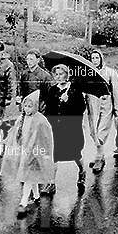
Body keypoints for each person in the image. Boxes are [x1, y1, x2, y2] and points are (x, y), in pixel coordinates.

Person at [0, 90, 54, 216]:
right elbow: (16, 133)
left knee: (28, 176)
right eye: (26, 106)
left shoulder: (41, 120)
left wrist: (39, 152)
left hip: (35, 153)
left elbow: (45, 138)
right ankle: (36, 196)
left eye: (30, 106)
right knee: (30, 176)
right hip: (24, 152)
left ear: (36, 106)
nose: (27, 108)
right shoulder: (21, 118)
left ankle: (23, 202)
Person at [44, 64, 88, 193]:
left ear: (67, 75)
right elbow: (49, 109)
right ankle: (51, 183)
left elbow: (81, 109)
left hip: (71, 128)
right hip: (56, 127)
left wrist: (68, 101)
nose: (58, 77)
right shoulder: (52, 90)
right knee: (54, 154)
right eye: (56, 74)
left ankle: (82, 171)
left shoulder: (75, 89)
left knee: (75, 154)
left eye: (61, 74)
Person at [86, 50, 118, 174]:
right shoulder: (88, 73)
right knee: (93, 132)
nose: (95, 60)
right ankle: (98, 154)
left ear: (101, 59)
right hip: (92, 106)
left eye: (97, 58)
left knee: (102, 131)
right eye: (92, 58)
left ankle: (99, 158)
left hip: (105, 105)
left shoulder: (111, 73)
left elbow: (116, 92)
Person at [17, 48, 52, 113]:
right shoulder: (24, 74)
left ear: (38, 60)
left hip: (39, 108)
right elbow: (20, 89)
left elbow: (49, 95)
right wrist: (19, 98)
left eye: (31, 59)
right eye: (27, 59)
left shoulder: (45, 76)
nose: (29, 62)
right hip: (26, 107)